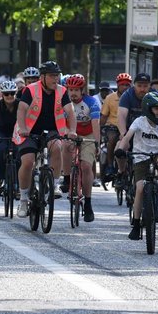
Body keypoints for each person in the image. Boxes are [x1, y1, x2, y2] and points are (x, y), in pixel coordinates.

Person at [115, 91, 158, 240]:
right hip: (141, 156)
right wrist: (121, 149)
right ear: (148, 109)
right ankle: (136, 224)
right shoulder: (139, 122)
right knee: (140, 188)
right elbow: (127, 136)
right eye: (156, 108)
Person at [14, 61, 76, 218]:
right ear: (42, 77)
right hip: (29, 131)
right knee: (28, 162)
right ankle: (23, 199)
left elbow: (70, 112)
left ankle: (54, 184)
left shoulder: (62, 91)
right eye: (52, 76)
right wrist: (22, 128)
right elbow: (21, 110)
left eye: (57, 75)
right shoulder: (30, 90)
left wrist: (72, 131)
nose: (56, 79)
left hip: (53, 130)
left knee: (57, 147)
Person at [63, 74, 101, 222]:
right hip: (71, 131)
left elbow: (96, 124)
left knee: (86, 166)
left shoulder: (92, 102)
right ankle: (66, 179)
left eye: (76, 90)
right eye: (70, 89)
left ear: (82, 90)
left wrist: (96, 143)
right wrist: (67, 134)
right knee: (65, 145)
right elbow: (61, 122)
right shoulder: (65, 102)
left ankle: (88, 203)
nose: (73, 93)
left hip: (89, 134)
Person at [116, 72, 151, 175]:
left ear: (149, 86)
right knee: (119, 147)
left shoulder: (154, 95)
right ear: (134, 85)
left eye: (145, 86)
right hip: (130, 133)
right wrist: (123, 133)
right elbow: (121, 115)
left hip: (149, 134)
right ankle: (121, 171)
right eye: (139, 86)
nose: (142, 89)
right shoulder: (127, 95)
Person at [100, 73, 132, 179]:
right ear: (118, 85)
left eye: (127, 85)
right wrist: (99, 129)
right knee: (112, 140)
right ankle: (110, 166)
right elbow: (104, 116)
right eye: (122, 85)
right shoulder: (110, 98)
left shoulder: (132, 97)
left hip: (128, 126)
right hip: (112, 126)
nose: (125, 87)